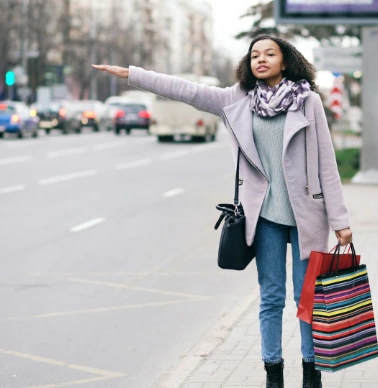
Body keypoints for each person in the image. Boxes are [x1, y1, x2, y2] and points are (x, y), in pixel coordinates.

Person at [93, 35, 353, 388]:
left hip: (307, 214)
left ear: (286, 61)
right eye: (255, 55)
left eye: (269, 54)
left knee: (306, 298)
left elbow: (327, 163)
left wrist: (341, 221)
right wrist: (134, 75)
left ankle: (311, 373)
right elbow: (187, 91)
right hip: (264, 218)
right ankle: (273, 374)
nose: (260, 59)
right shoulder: (237, 100)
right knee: (271, 297)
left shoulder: (307, 102)